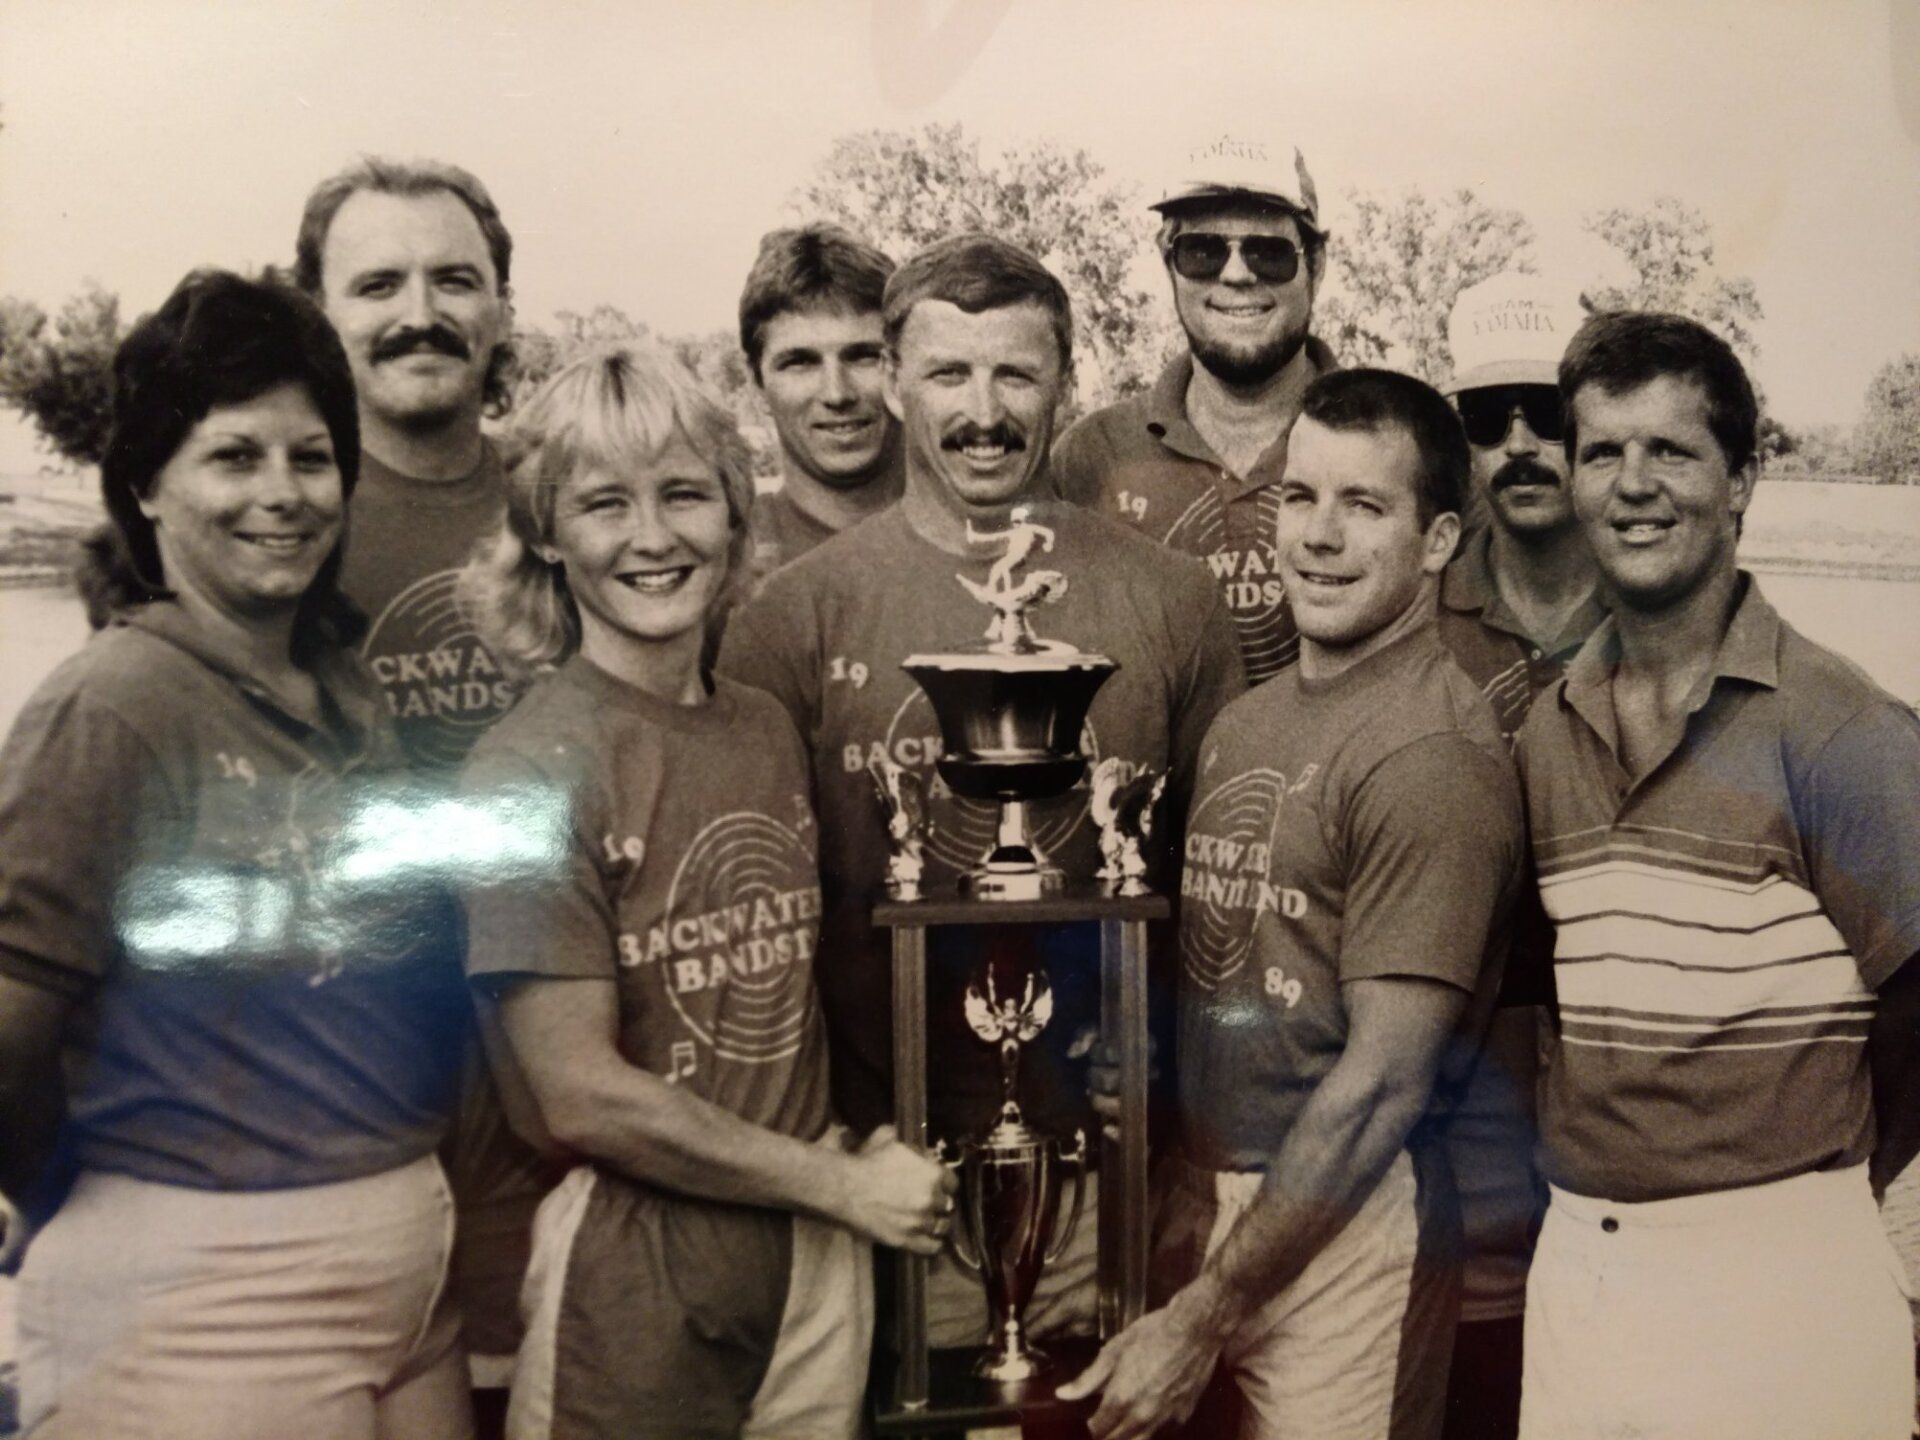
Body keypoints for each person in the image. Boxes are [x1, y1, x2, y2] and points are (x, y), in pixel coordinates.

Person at [716, 233, 1246, 1348]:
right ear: (896, 383)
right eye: (949, 374)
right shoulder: (794, 618)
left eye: (1015, 373)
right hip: (880, 1180)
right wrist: (831, 1160)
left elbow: (1220, 911)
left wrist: (1181, 1127)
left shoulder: (1174, 602)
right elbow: (764, 918)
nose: (983, 410)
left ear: (1067, 378)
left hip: (1116, 1180)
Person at [0, 270, 474, 1439]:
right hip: (205, 1307)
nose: (284, 495)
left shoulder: (346, 687)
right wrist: (99, 1198)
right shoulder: (111, 706)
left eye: (312, 459)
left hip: (410, 1289)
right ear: (146, 486)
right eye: (234, 456)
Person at [454, 343, 954, 1440]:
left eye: (685, 494)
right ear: (545, 532)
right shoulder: (522, 771)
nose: (652, 537)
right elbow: (577, 1093)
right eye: (602, 505)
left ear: (734, 513)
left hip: (814, 1256)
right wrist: (841, 1189)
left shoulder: (764, 727)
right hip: (643, 1262)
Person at [1061, 369, 1523, 1440]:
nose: (1318, 535)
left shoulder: (1431, 754)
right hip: (1214, 1211)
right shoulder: (1248, 721)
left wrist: (1210, 1307)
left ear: (1441, 540)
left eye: (1365, 507)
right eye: (1301, 497)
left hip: (1351, 1229)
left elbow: (1382, 1085)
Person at [1513, 311, 1920, 1440]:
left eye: (1674, 452)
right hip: (1582, 1273)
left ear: (1743, 480)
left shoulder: (1842, 727)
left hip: (1785, 1278)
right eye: (1603, 452)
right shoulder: (1549, 727)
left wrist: (1870, 1227)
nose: (1634, 486)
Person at [296, 156, 546, 1421]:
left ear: (503, 305)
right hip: (355, 1080)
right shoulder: (283, 516)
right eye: (377, 282)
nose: (421, 311)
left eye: (457, 279)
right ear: (318, 307)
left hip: (547, 1067)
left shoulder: (565, 501)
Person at [1430, 274, 1604, 1440]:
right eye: (1490, 419)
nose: (1524, 444)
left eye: (1547, 409)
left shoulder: (1670, 587)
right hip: (1473, 1038)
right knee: (1483, 1337)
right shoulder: (1414, 602)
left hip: (1625, 1038)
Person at [1050, 135, 1339, 684]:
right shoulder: (1088, 459)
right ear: (1169, 264)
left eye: (1268, 252)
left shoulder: (1398, 446)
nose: (1235, 274)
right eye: (1203, 251)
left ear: (1317, 264)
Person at [738, 222, 902, 577]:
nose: (837, 393)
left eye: (863, 356)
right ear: (756, 384)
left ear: (904, 367)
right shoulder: (724, 564)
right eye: (800, 363)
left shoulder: (985, 540)